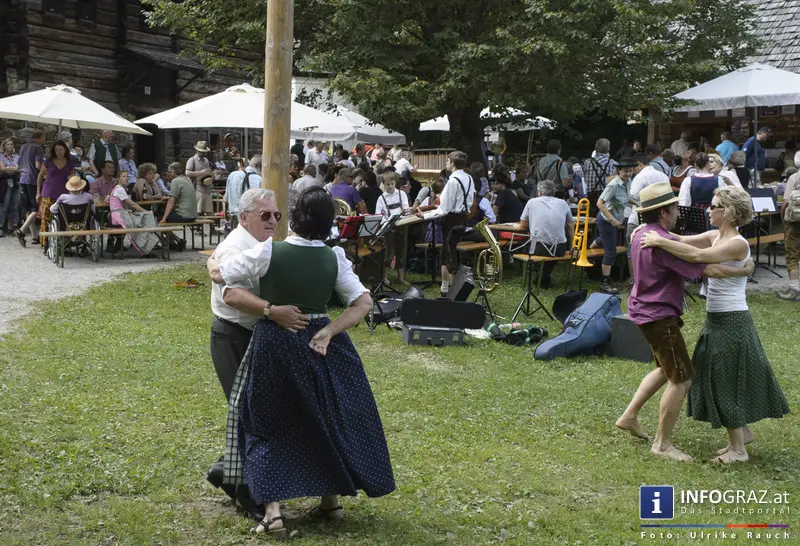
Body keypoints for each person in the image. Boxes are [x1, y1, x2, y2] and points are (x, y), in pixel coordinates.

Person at [213, 187, 395, 537]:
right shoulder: (335, 256)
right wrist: (328, 331)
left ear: (293, 216)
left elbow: (224, 278)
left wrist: (212, 263)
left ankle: (274, 515)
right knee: (323, 417)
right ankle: (331, 502)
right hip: (321, 347)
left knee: (268, 422)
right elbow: (363, 304)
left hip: (276, 343)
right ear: (329, 223)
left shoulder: (269, 251)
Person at [638, 186, 788, 463]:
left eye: (715, 206)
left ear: (729, 212)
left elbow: (696, 258)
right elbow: (680, 239)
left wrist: (659, 242)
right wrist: (646, 231)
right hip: (715, 319)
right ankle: (742, 433)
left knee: (725, 379)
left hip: (732, 320)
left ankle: (738, 450)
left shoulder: (737, 243)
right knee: (712, 376)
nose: (709, 210)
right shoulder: (714, 236)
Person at [616, 182, 755, 461]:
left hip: (643, 310)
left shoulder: (643, 232)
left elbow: (689, 244)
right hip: (659, 316)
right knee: (681, 379)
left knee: (664, 369)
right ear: (664, 212)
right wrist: (745, 271)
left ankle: (629, 416)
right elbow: (704, 265)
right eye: (676, 207)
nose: (679, 211)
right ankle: (662, 445)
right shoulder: (660, 243)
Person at [205, 188, 301, 519]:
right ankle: (250, 498)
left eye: (276, 215)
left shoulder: (261, 244)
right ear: (244, 217)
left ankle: (225, 472)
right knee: (250, 414)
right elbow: (231, 295)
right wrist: (273, 311)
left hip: (256, 335)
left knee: (259, 411)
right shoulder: (234, 246)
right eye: (265, 215)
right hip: (233, 336)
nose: (273, 220)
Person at [421, 151, 475, 296]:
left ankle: (454, 291)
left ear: (452, 162)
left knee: (449, 254)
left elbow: (444, 209)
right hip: (464, 217)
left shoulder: (452, 181)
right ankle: (445, 287)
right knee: (446, 252)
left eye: (447, 161)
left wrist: (425, 215)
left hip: (452, 219)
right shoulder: (469, 177)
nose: (446, 163)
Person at [590, 156, 635, 294]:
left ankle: (592, 247)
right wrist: (612, 220)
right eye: (625, 171)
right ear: (618, 171)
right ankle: (605, 283)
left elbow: (626, 198)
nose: (628, 174)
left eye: (630, 171)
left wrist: (638, 204)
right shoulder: (613, 185)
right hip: (605, 221)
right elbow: (599, 203)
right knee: (611, 252)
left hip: (613, 221)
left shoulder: (628, 182)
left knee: (607, 241)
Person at [519, 180, 575, 288]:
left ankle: (542, 276)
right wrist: (572, 245)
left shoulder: (532, 202)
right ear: (553, 192)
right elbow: (570, 226)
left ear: (539, 193)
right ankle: (545, 276)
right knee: (550, 253)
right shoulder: (563, 203)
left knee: (530, 245)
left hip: (538, 247)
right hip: (559, 248)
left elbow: (523, 225)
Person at [626, 154, 670, 282]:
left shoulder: (640, 177)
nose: (632, 172)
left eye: (633, 168)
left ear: (639, 164)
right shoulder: (663, 175)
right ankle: (655, 278)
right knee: (658, 250)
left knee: (633, 249)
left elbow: (631, 196)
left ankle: (634, 280)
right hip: (661, 219)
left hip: (638, 218)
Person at [108, 172, 160, 256]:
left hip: (118, 213)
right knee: (142, 220)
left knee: (140, 219)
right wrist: (145, 212)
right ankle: (144, 249)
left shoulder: (118, 188)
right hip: (118, 215)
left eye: (127, 176)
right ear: (118, 178)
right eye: (124, 176)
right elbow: (132, 204)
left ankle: (147, 246)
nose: (126, 178)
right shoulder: (119, 189)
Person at [35, 140, 74, 246]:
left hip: (64, 192)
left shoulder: (69, 162)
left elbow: (72, 175)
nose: (59, 152)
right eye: (57, 150)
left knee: (64, 217)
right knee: (46, 217)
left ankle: (63, 241)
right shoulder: (49, 161)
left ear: (65, 150)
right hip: (49, 191)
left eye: (61, 150)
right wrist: (38, 191)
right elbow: (40, 176)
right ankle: (45, 242)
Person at [375, 172, 410, 285]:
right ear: (383, 185)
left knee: (401, 251)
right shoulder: (381, 198)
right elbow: (378, 215)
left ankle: (401, 277)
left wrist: (405, 211)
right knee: (390, 252)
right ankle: (385, 277)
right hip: (388, 228)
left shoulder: (401, 194)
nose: (390, 186)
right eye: (387, 184)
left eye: (392, 184)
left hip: (401, 226)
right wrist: (386, 222)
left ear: (395, 183)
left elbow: (406, 208)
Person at [15, 130, 45, 245]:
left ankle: (34, 236)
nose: (44, 140)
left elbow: (18, 166)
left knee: (28, 209)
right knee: (36, 208)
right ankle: (22, 230)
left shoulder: (23, 147)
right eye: (44, 138)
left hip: (22, 178)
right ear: (40, 137)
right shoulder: (38, 148)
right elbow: (38, 165)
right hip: (33, 180)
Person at [778, 152, 800, 301]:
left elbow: (785, 202)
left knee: (792, 254)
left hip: (794, 222)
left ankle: (794, 289)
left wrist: (783, 217)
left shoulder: (794, 178)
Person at [159, 162, 196, 250]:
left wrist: (164, 218)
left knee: (157, 218)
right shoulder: (187, 179)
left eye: (169, 171)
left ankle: (174, 241)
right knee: (163, 217)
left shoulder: (175, 181)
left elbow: (171, 201)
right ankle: (175, 242)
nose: (168, 173)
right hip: (193, 215)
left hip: (183, 215)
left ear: (173, 171)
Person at [225, 155, 263, 228]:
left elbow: (226, 198)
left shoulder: (232, 175)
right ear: (261, 167)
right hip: (251, 218)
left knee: (235, 238)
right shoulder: (259, 179)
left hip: (234, 218)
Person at [583, 138, 618, 214]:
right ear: (608, 148)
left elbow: (584, 179)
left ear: (595, 148)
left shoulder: (587, 162)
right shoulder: (613, 163)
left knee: (591, 219)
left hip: (591, 197)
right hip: (606, 197)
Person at [186, 141, 214, 216]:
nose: (204, 154)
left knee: (209, 211)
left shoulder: (206, 160)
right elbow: (187, 173)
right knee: (197, 211)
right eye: (202, 152)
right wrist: (201, 172)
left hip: (207, 188)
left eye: (204, 152)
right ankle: (198, 226)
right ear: (197, 150)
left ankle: (210, 227)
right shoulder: (192, 160)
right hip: (198, 188)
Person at [0, 138, 21, 235]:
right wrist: (9, 169)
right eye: (7, 144)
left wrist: (8, 168)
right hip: (5, 183)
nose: (10, 146)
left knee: (15, 205)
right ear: (4, 146)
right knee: (4, 205)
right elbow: (2, 168)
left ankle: (14, 225)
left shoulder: (17, 157)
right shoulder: (1, 156)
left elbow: (17, 169)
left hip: (15, 182)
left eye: (11, 144)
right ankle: (1, 226)